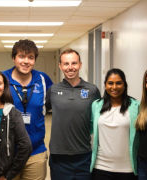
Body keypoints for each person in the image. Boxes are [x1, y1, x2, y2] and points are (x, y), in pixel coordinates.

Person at [46, 48, 101, 180]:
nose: (70, 67)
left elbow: (100, 117)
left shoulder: (92, 90)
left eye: (74, 63)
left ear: (80, 64)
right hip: (59, 157)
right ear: (60, 66)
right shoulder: (53, 90)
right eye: (66, 64)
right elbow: (41, 112)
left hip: (84, 155)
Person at [3, 39, 53, 180]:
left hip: (36, 151)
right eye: (21, 56)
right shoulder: (2, 78)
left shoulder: (42, 79)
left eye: (30, 57)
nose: (26, 61)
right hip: (8, 152)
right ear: (14, 58)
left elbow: (56, 102)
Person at [90, 68, 139, 180]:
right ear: (105, 85)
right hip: (100, 167)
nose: (114, 87)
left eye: (119, 83)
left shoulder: (135, 106)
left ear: (124, 85)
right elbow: (89, 128)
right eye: (110, 83)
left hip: (127, 169)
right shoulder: (96, 106)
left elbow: (146, 131)